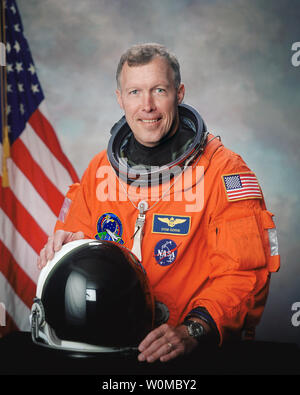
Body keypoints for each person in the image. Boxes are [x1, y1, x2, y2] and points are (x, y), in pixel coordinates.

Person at [37, 43, 280, 363]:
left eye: (159, 90)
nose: (146, 105)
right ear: (120, 98)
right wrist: (68, 249)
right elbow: (73, 251)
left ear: (179, 94)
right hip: (104, 345)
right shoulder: (99, 170)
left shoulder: (224, 172)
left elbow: (245, 275)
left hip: (184, 349)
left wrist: (194, 329)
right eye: (135, 92)